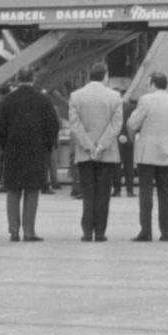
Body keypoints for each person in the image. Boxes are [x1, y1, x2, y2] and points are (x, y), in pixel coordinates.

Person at [0, 70, 60, 242]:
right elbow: (53, 126)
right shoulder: (43, 100)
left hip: (13, 151)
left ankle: (14, 231)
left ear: (17, 80)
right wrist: (46, 146)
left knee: (13, 192)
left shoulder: (6, 101)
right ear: (33, 79)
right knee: (32, 191)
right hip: (36, 152)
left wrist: (6, 145)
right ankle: (29, 232)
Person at [67, 64, 123, 241]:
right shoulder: (115, 97)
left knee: (88, 192)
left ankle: (86, 231)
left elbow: (75, 125)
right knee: (103, 194)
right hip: (107, 153)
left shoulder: (76, 96)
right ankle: (100, 232)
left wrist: (89, 145)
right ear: (105, 76)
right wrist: (101, 146)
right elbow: (116, 125)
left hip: (85, 154)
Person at [129, 73, 168, 242]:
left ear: (153, 84)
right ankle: (166, 231)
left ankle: (146, 231)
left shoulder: (145, 100)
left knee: (146, 191)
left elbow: (132, 123)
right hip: (166, 151)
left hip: (147, 152)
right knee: (165, 191)